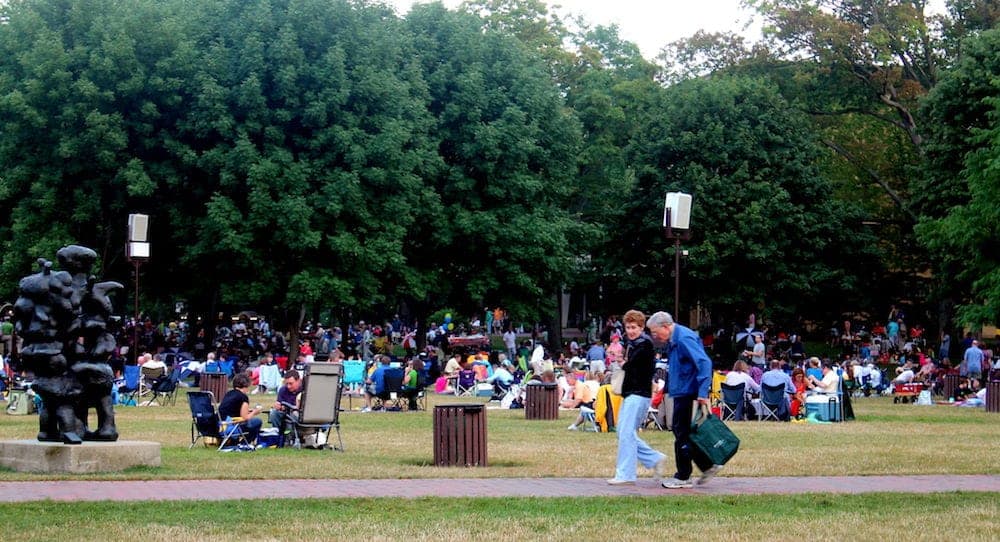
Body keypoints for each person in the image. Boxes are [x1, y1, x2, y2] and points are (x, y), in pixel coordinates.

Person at [646, 310, 717, 489]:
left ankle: (684, 475)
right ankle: (707, 465)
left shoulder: (683, 338)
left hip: (687, 390)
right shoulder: (675, 340)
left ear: (665, 326)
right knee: (682, 431)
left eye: (655, 332)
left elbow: (704, 363)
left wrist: (702, 392)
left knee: (680, 431)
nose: (655, 337)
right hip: (682, 389)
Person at [606, 310, 667, 485]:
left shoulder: (642, 344)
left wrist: (623, 362)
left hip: (638, 393)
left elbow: (635, 368)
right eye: (628, 327)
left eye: (634, 327)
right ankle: (653, 458)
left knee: (625, 433)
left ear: (641, 327)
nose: (631, 330)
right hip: (636, 393)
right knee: (624, 432)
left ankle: (626, 474)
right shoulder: (638, 343)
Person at [218, 373, 263, 445]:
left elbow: (232, 410)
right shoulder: (243, 397)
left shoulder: (229, 394)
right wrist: (254, 412)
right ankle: (244, 443)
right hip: (231, 426)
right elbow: (245, 417)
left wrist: (248, 411)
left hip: (220, 425)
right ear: (246, 386)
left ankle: (233, 441)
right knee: (257, 421)